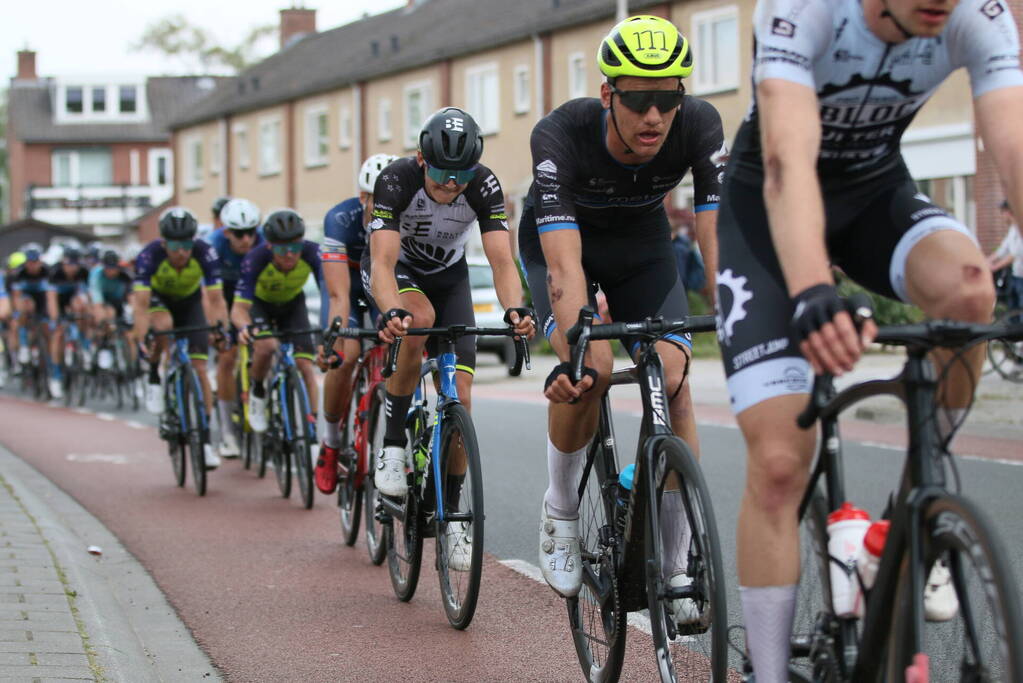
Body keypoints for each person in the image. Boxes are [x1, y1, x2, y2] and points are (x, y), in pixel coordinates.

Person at [715, 2, 1023, 680]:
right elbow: (785, 161)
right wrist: (810, 291)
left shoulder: (977, 15)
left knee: (970, 292)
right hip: (765, 211)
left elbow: (1012, 143)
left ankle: (902, 530)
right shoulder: (803, 12)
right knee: (776, 464)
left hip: (871, 194)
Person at [518, 14, 724, 617]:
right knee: (594, 370)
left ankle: (677, 566)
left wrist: (738, 316)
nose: (655, 117)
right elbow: (561, 262)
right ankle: (559, 510)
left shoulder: (701, 126)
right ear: (609, 94)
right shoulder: (560, 134)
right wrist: (579, 336)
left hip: (640, 246)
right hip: (561, 246)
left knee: (675, 376)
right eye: (639, 100)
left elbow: (715, 235)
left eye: (668, 100)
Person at [366, 107, 534, 567]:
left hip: (451, 276)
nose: (450, 184)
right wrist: (391, 310)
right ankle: (394, 443)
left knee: (460, 395)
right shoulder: (397, 181)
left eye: (461, 175)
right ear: (421, 159)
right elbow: (381, 262)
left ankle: (455, 514)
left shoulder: (484, 186)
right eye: (441, 172)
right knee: (417, 318)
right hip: (400, 271)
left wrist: (514, 308)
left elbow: (501, 260)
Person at [314, 153, 396, 495]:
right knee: (345, 356)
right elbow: (337, 295)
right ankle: (331, 444)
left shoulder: (405, 218)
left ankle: (396, 445)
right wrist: (332, 337)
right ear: (364, 198)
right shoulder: (340, 219)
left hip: (380, 281)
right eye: (379, 200)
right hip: (345, 284)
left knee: (397, 342)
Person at [233, 209, 345, 444]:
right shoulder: (255, 259)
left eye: (295, 247)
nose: (290, 255)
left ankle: (311, 427)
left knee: (305, 364)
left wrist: (329, 332)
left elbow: (329, 295)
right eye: (282, 249)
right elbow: (239, 309)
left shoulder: (313, 253)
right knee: (266, 347)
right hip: (261, 306)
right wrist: (244, 327)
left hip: (293, 305)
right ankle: (257, 391)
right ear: (270, 246)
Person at [132, 207, 229, 470]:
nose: (182, 251)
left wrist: (221, 329)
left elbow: (215, 298)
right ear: (164, 242)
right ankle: (154, 371)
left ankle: (206, 441)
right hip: (158, 300)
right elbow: (140, 306)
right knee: (163, 325)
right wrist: (143, 339)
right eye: (176, 245)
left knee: (198, 368)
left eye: (187, 243)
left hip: (189, 303)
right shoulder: (149, 255)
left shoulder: (204, 252)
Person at [207, 198, 264, 458]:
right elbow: (211, 296)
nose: (246, 239)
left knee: (265, 346)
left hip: (255, 295)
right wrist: (217, 328)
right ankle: (228, 433)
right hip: (224, 296)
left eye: (251, 231)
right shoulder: (213, 245)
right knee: (227, 357)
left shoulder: (264, 241)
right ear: (226, 231)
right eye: (239, 234)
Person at [46, 246, 91, 398]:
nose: (72, 268)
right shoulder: (55, 272)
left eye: (75, 264)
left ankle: (85, 347)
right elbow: (51, 299)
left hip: (73, 300)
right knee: (57, 334)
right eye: (69, 264)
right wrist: (55, 319)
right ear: (63, 263)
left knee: (82, 308)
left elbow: (89, 296)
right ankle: (56, 376)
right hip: (57, 302)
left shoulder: (84, 272)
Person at [988, 199, 1023, 311]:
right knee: (1013, 310)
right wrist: (986, 262)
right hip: (1016, 276)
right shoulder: (1013, 229)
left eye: (1002, 212)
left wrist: (994, 267)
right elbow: (1003, 250)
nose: (1002, 216)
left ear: (1009, 212)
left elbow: (1016, 254)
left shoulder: (1020, 228)